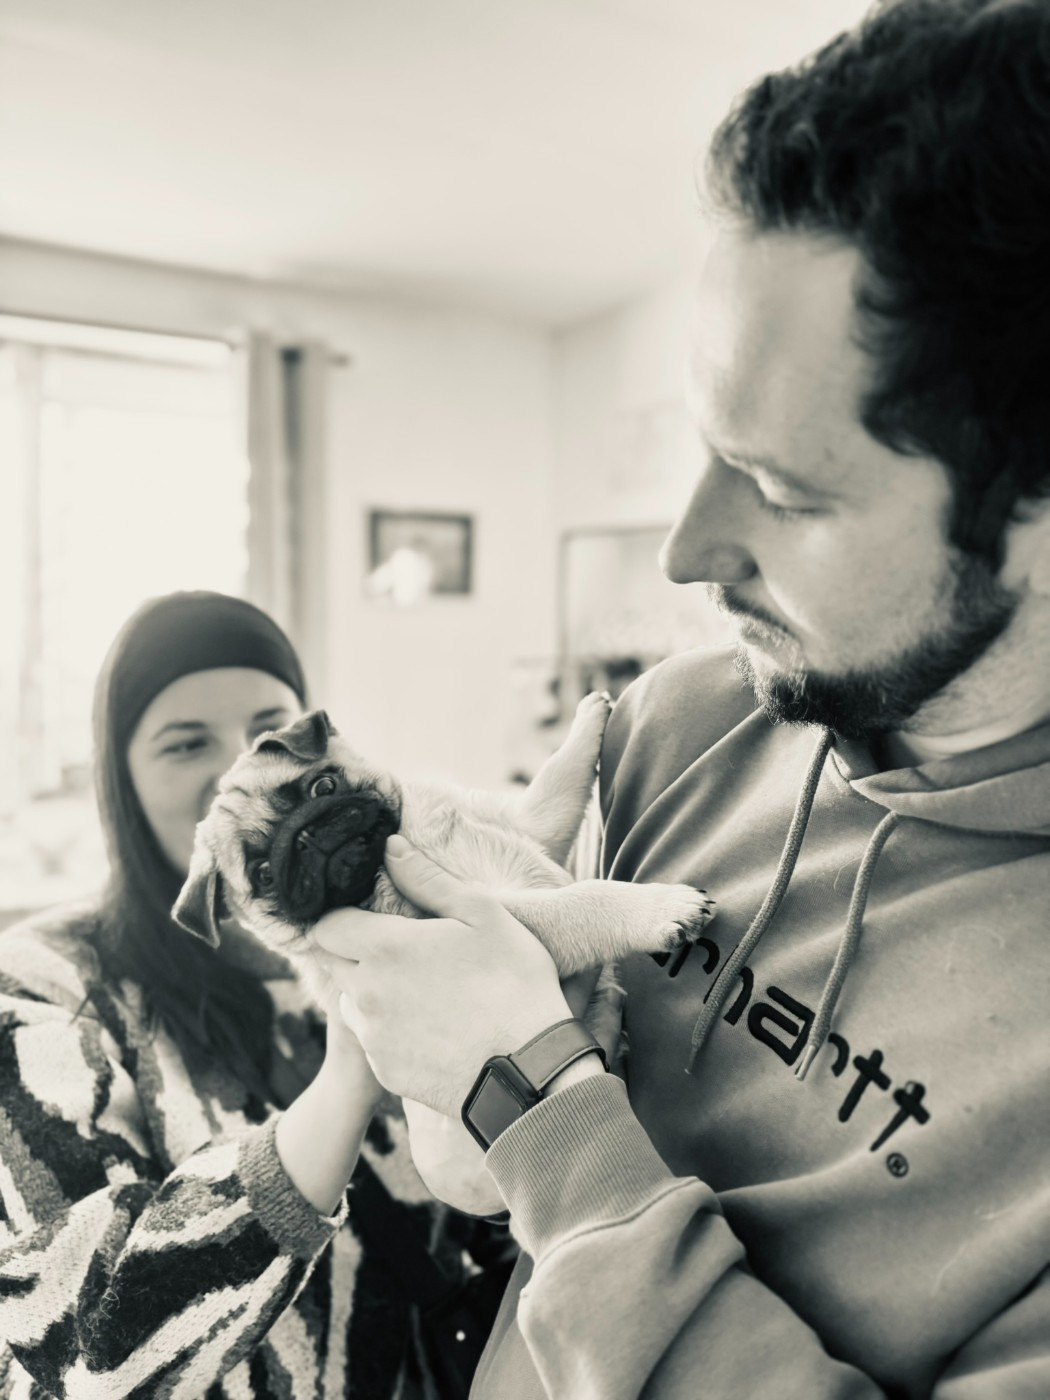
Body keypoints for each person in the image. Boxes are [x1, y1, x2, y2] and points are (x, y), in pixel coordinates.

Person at [311, 2, 1050, 1396]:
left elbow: (541, 1123)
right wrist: (468, 1017)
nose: (683, 553)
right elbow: (496, 1196)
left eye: (779, 488)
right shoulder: (679, 724)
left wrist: (537, 1098)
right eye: (708, 448)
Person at [0, 591, 508, 1399]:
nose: (237, 772)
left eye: (268, 731)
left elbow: (490, 1217)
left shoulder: (402, 933)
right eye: (185, 744)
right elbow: (80, 1342)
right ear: (121, 782)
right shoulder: (43, 984)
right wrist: (348, 1078)